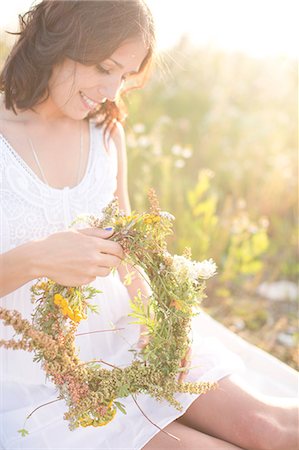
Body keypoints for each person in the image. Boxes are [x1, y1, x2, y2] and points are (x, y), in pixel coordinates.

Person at [0, 1, 298, 449]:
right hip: (31, 377)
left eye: (125, 75)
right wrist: (37, 258)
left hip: (124, 332)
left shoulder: (105, 131)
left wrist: (158, 320)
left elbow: (128, 249)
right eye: (103, 67)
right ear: (54, 42)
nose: (111, 89)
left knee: (272, 431)